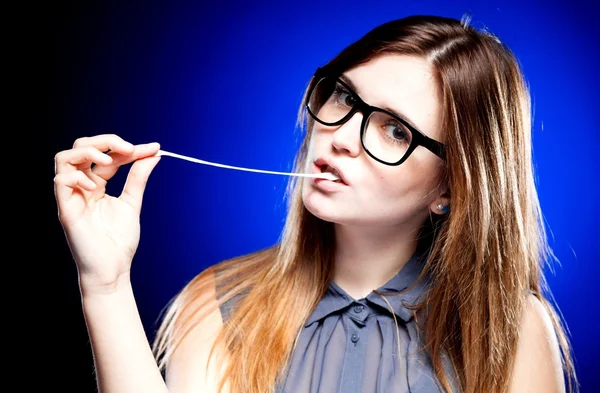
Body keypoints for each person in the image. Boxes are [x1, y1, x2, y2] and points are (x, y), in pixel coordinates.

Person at [53, 14, 578, 393]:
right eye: (345, 98)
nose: (343, 135)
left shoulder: (509, 330)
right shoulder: (216, 303)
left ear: (450, 188)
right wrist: (105, 283)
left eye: (395, 130)